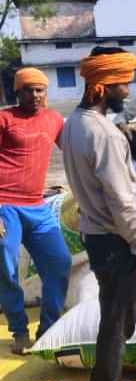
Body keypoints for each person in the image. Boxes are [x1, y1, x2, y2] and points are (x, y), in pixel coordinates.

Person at [61, 47, 136, 381]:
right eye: (122, 83)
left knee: (120, 312)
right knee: (118, 317)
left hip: (96, 235)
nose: (128, 89)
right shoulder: (104, 134)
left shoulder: (73, 124)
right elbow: (124, 206)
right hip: (114, 239)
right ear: (102, 86)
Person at [0, 68, 71, 353]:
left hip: (38, 207)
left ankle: (48, 328)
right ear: (17, 92)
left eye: (39, 90)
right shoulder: (5, 119)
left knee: (59, 263)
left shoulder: (54, 120)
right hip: (5, 206)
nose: (35, 95)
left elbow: (74, 150)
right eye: (28, 90)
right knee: (6, 268)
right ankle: (19, 330)